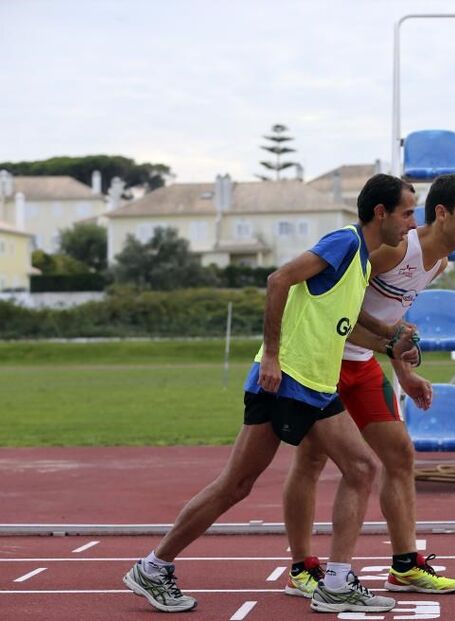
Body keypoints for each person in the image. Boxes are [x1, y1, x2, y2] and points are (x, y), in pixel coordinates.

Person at [123, 174, 419, 614]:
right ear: (381, 212)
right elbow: (279, 279)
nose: (411, 225)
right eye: (408, 212)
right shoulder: (345, 242)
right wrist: (272, 358)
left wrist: (389, 335)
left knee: (236, 484)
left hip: (308, 382)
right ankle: (336, 583)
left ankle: (153, 567)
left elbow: (344, 314)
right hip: (294, 379)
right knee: (359, 468)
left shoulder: (360, 262)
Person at [281, 174, 455, 606]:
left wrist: (404, 373)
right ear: (443, 213)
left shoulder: (438, 263)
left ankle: (406, 566)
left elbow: (391, 317)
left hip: (362, 364)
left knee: (400, 454)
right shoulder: (394, 249)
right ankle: (302, 569)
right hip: (325, 362)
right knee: (312, 460)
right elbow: (337, 297)